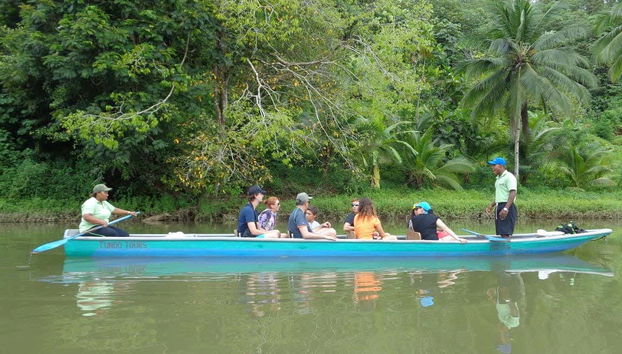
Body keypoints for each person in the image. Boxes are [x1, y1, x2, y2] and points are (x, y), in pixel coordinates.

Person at [485, 157, 518, 238]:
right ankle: (503, 248)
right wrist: (491, 205)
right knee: (501, 232)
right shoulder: (498, 179)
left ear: (501, 166)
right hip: (499, 206)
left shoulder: (509, 176)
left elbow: (513, 192)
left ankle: (506, 249)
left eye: (494, 165)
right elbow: (501, 195)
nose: (492, 168)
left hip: (507, 207)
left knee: (505, 233)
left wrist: (506, 209)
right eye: (491, 166)